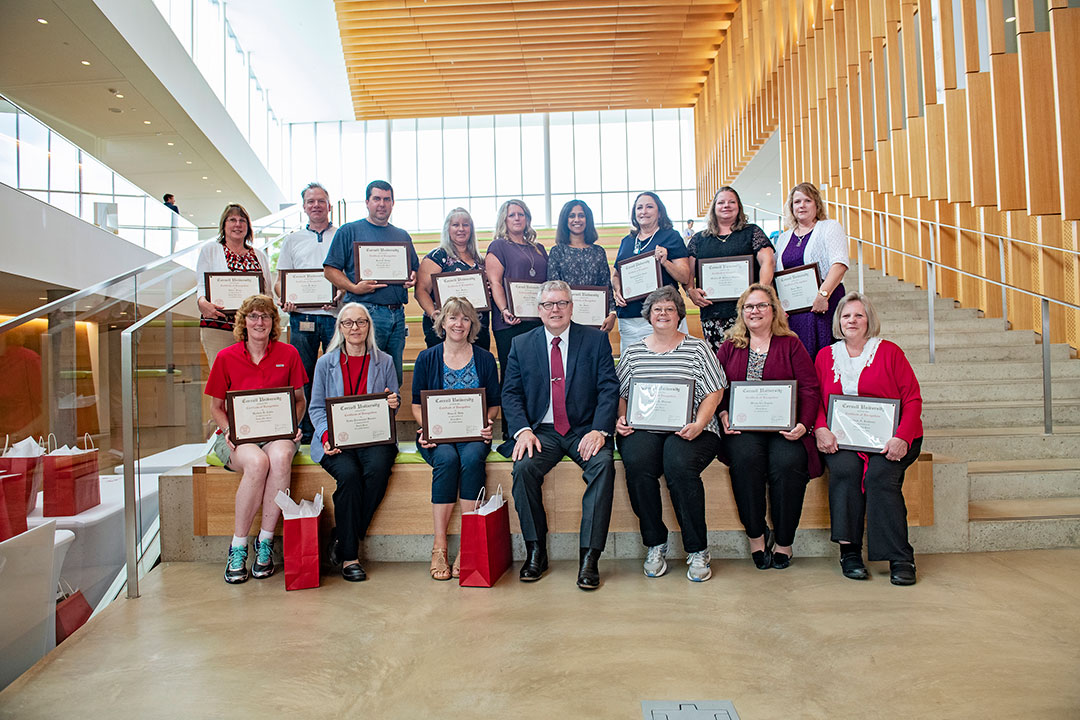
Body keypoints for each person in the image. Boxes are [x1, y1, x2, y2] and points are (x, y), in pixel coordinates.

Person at [501, 281, 618, 590]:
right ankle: (536, 549)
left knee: (603, 466)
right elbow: (510, 394)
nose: (555, 309)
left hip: (584, 429)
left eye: (561, 303)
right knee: (523, 468)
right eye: (548, 305)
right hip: (543, 431)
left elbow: (609, 388)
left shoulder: (595, 340)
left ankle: (590, 557)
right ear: (539, 310)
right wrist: (523, 430)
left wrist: (600, 429)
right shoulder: (521, 344)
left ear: (571, 306)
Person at [615, 286, 726, 581]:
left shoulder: (698, 348)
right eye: (657, 310)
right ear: (648, 316)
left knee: (678, 464)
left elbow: (715, 390)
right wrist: (621, 418)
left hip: (692, 427)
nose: (663, 314)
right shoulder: (634, 351)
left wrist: (700, 424)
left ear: (679, 315)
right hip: (645, 427)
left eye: (669, 309)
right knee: (637, 463)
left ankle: (698, 549)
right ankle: (655, 543)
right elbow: (622, 394)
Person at [813, 292, 924, 586]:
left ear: (868, 320)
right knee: (846, 471)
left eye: (858, 315)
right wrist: (820, 428)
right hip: (843, 440)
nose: (852, 321)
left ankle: (900, 557)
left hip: (892, 439)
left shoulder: (889, 352)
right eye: (846, 315)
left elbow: (912, 399)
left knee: (879, 476)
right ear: (838, 321)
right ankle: (849, 552)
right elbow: (815, 402)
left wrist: (902, 437)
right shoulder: (825, 356)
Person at [715, 284, 821, 570]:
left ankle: (784, 541)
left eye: (761, 305)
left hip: (784, 429)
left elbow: (810, 388)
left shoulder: (791, 344)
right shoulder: (730, 346)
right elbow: (716, 387)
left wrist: (804, 424)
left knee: (789, 463)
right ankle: (756, 535)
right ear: (742, 313)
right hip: (743, 429)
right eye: (749, 306)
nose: (755, 311)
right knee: (745, 461)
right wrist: (723, 413)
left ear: (773, 310)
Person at [204, 294, 307, 584]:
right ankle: (238, 547)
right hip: (239, 437)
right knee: (258, 463)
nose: (259, 322)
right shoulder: (226, 357)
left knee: (281, 456)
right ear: (244, 322)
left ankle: (265, 543)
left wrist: (293, 425)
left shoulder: (288, 354)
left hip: (278, 435)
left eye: (265, 316)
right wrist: (228, 431)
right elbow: (216, 408)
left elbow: (299, 400)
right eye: (253, 316)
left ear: (273, 322)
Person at [308, 302, 400, 582]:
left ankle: (342, 534)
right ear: (340, 328)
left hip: (373, 438)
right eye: (348, 323)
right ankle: (350, 557)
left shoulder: (384, 360)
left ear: (369, 327)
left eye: (361, 322)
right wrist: (326, 436)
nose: (355, 328)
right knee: (348, 475)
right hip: (336, 440)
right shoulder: (326, 363)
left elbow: (392, 400)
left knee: (379, 470)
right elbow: (315, 408)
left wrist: (392, 403)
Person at [411, 298, 500, 581]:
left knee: (473, 457)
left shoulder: (485, 358)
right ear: (442, 323)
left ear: (472, 324)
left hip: (475, 434)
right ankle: (440, 545)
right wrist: (427, 428)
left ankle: (468, 543)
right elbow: (416, 404)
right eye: (452, 318)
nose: (458, 324)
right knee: (447, 459)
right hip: (436, 435)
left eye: (464, 319)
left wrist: (488, 423)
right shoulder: (427, 358)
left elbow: (494, 403)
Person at [323, 180, 420, 384]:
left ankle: (390, 416)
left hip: (397, 314)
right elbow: (330, 270)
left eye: (386, 199)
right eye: (376, 199)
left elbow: (413, 270)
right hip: (365, 312)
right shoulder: (349, 231)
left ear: (393, 203)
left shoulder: (401, 235)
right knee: (365, 375)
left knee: (394, 377)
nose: (382, 204)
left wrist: (412, 277)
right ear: (367, 202)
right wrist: (352, 288)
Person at [275, 182, 340, 445]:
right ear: (304, 207)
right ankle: (308, 431)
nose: (316, 205)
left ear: (329, 205)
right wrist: (285, 298)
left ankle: (335, 427)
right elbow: (280, 281)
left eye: (321, 201)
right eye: (311, 201)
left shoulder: (342, 235)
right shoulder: (292, 240)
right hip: (302, 317)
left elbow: (348, 276)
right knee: (303, 374)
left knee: (336, 374)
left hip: (336, 316)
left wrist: (340, 294)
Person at [484, 199, 547, 446]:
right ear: (504, 220)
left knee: (538, 375)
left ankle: (536, 426)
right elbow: (495, 282)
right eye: (512, 215)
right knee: (513, 377)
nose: (517, 218)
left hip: (538, 322)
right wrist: (504, 309)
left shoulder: (539, 248)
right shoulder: (498, 246)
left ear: (528, 219)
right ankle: (512, 432)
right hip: (510, 322)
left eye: (522, 214)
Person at [686, 186, 776, 354]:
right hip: (713, 312)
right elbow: (688, 272)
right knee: (719, 363)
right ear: (714, 207)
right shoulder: (699, 239)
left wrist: (760, 295)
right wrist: (690, 290)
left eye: (731, 202)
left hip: (749, 312)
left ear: (739, 206)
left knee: (751, 359)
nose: (726, 205)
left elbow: (768, 262)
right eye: (721, 202)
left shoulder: (752, 232)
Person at [774, 182, 849, 359]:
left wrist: (823, 295)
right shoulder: (784, 238)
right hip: (794, 313)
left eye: (807, 200)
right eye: (797, 201)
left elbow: (839, 264)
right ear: (791, 207)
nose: (802, 205)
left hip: (824, 305)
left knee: (824, 356)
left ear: (816, 204)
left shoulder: (829, 227)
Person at [612, 192, 692, 353]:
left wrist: (665, 262)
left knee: (668, 365)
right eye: (639, 207)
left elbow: (684, 276)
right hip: (629, 318)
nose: (644, 211)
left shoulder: (671, 237)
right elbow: (615, 274)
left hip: (662, 316)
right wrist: (617, 290)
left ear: (659, 212)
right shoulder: (627, 241)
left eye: (649, 207)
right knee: (634, 368)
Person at [196, 204, 274, 367]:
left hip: (252, 328)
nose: (237, 224)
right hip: (219, 325)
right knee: (222, 377)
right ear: (224, 225)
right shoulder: (210, 250)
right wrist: (202, 303)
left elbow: (267, 294)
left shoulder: (259, 255)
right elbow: (202, 286)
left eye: (242, 220)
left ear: (248, 227)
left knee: (252, 375)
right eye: (232, 220)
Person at [414, 208, 490, 351]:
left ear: (471, 229)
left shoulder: (480, 260)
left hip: (477, 328)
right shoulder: (437, 256)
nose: (461, 229)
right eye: (455, 225)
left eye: (465, 225)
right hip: (445, 327)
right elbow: (420, 291)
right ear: (447, 229)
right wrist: (434, 313)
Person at [547, 199, 616, 332]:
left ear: (587, 219)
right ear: (565, 220)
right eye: (572, 216)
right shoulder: (557, 251)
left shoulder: (598, 251)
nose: (577, 219)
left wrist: (612, 314)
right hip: (566, 322)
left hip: (596, 321)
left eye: (581, 215)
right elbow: (554, 289)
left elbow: (606, 285)